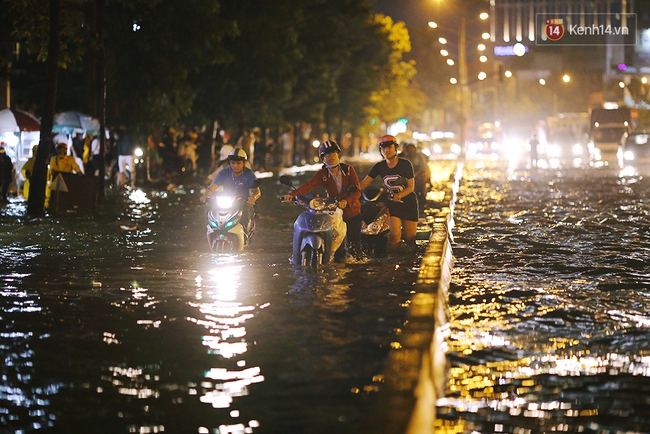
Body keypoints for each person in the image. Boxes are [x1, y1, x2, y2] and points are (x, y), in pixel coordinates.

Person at [283, 140, 363, 261]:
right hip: (334, 212)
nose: (330, 157)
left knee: (354, 246)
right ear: (322, 159)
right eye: (326, 155)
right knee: (337, 251)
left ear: (338, 155)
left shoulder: (349, 170)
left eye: (332, 153)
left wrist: (346, 201)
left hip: (351, 212)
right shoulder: (322, 174)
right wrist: (292, 195)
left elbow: (357, 191)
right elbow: (309, 185)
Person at [359, 134, 419, 252]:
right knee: (394, 235)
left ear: (395, 148)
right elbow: (364, 184)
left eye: (389, 147)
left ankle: (409, 262)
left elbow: (411, 187)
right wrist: (349, 189)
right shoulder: (379, 166)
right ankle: (393, 264)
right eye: (383, 148)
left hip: (409, 204)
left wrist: (399, 195)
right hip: (392, 205)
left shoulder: (405, 164)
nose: (386, 150)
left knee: (409, 237)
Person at [200, 148, 261, 239]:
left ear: (243, 163)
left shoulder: (249, 174)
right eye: (233, 163)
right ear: (229, 163)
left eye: (238, 163)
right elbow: (212, 188)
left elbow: (257, 192)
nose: (235, 166)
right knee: (210, 210)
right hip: (226, 202)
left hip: (243, 202)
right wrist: (205, 196)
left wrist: (253, 198)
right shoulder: (223, 173)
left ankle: (246, 235)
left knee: (247, 213)